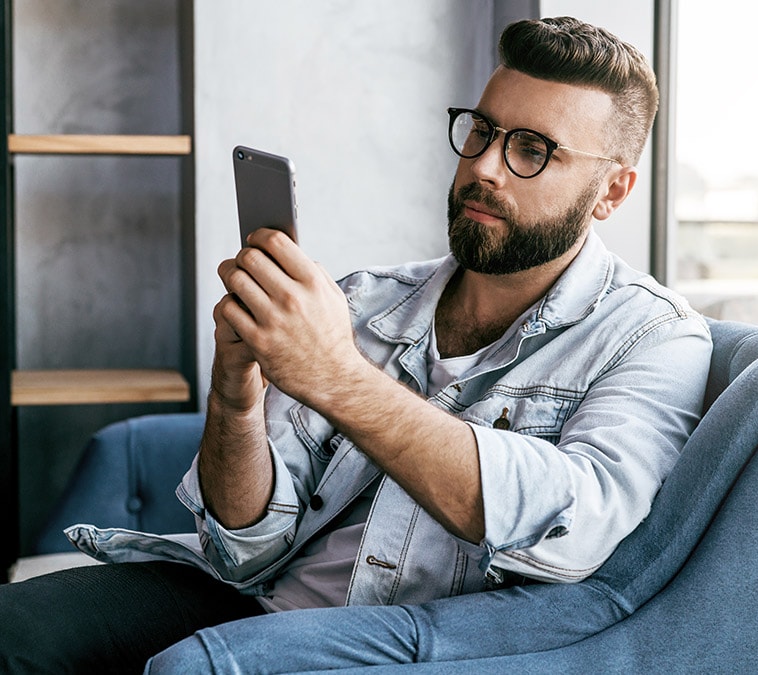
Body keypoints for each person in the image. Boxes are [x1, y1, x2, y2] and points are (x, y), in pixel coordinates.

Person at [0, 16, 712, 674]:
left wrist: (337, 377)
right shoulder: (366, 301)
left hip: (409, 644)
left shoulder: (654, 337)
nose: (486, 167)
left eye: (532, 149)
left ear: (612, 192)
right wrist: (236, 392)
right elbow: (244, 546)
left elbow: (575, 525)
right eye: (481, 131)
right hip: (253, 598)